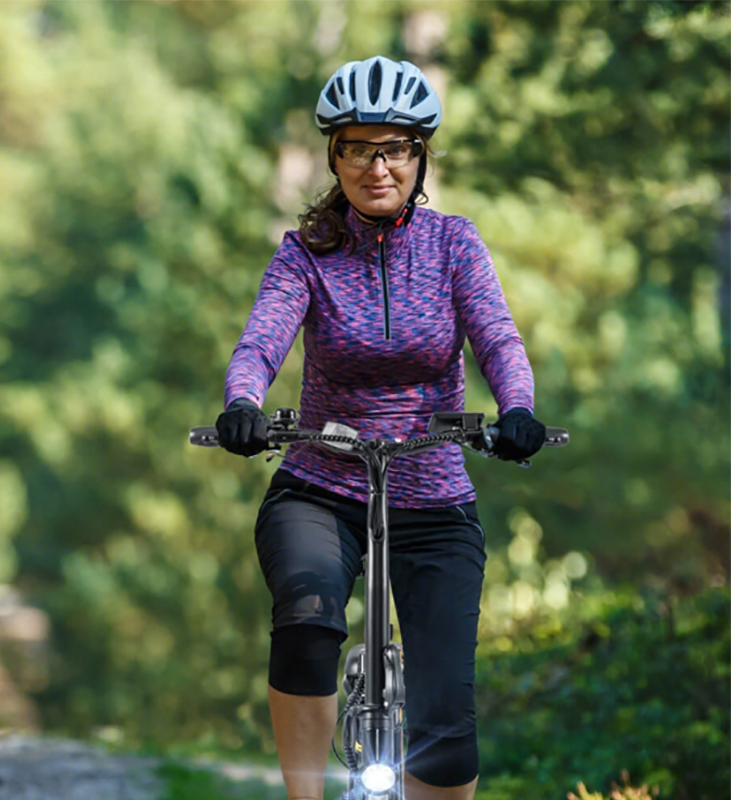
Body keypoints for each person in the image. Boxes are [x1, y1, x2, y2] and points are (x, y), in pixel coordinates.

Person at [216, 56, 547, 800]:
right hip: (320, 482)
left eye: (395, 147)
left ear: (419, 156)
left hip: (432, 493)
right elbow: (263, 340)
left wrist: (517, 409)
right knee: (305, 615)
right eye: (359, 147)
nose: (378, 165)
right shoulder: (306, 254)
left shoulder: (454, 245)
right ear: (334, 156)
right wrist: (243, 402)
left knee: (446, 714)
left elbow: (498, 338)